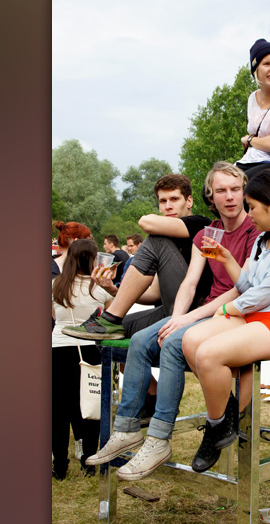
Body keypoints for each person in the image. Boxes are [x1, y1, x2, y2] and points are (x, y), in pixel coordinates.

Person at [83, 162, 260, 481]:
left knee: (173, 343)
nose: (229, 197)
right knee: (141, 340)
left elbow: (240, 289)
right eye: (221, 190)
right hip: (203, 309)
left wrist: (185, 319)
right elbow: (189, 283)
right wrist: (176, 319)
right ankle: (126, 429)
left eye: (235, 189)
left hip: (236, 313)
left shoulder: (254, 231)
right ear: (211, 195)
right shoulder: (208, 232)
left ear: (244, 192)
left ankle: (159, 438)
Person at [181, 170, 270, 472]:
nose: (248, 213)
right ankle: (229, 415)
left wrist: (225, 309)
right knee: (190, 340)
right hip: (255, 315)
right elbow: (249, 285)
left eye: (252, 206)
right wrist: (228, 259)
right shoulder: (262, 241)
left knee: (208, 354)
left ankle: (215, 427)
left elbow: (263, 295)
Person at [63, 175, 212, 340]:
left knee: (156, 240)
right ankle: (111, 321)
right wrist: (113, 290)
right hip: (169, 308)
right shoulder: (167, 242)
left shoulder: (200, 223)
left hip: (196, 306)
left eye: (174, 199)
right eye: (163, 201)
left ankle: (111, 317)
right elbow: (154, 294)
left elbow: (145, 223)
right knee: (106, 335)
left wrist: (147, 219)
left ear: (189, 201)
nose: (168, 206)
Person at [51, 237, 118, 480]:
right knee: (90, 405)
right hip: (89, 347)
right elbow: (112, 316)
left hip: (58, 346)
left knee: (57, 410)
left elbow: (54, 318)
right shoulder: (98, 289)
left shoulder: (56, 285)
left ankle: (59, 464)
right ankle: (88, 460)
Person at [235, 39, 270, 180]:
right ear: (256, 69)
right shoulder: (252, 98)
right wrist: (254, 141)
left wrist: (249, 139)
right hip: (250, 159)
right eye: (266, 64)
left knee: (241, 183)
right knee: (212, 185)